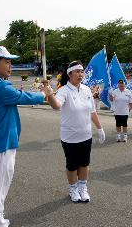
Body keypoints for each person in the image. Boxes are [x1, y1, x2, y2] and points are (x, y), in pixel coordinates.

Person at [0, 45, 51, 227]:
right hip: (0, 144)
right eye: (6, 61)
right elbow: (25, 97)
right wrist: (44, 93)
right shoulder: (0, 86)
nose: (10, 65)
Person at [43, 61, 106, 203]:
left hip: (86, 135)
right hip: (70, 137)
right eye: (77, 71)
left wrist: (100, 128)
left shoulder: (86, 89)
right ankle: (73, 188)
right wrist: (50, 95)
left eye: (82, 71)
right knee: (72, 165)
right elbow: (56, 106)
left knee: (84, 164)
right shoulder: (64, 90)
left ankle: (82, 188)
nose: (80, 74)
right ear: (70, 74)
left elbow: (92, 111)